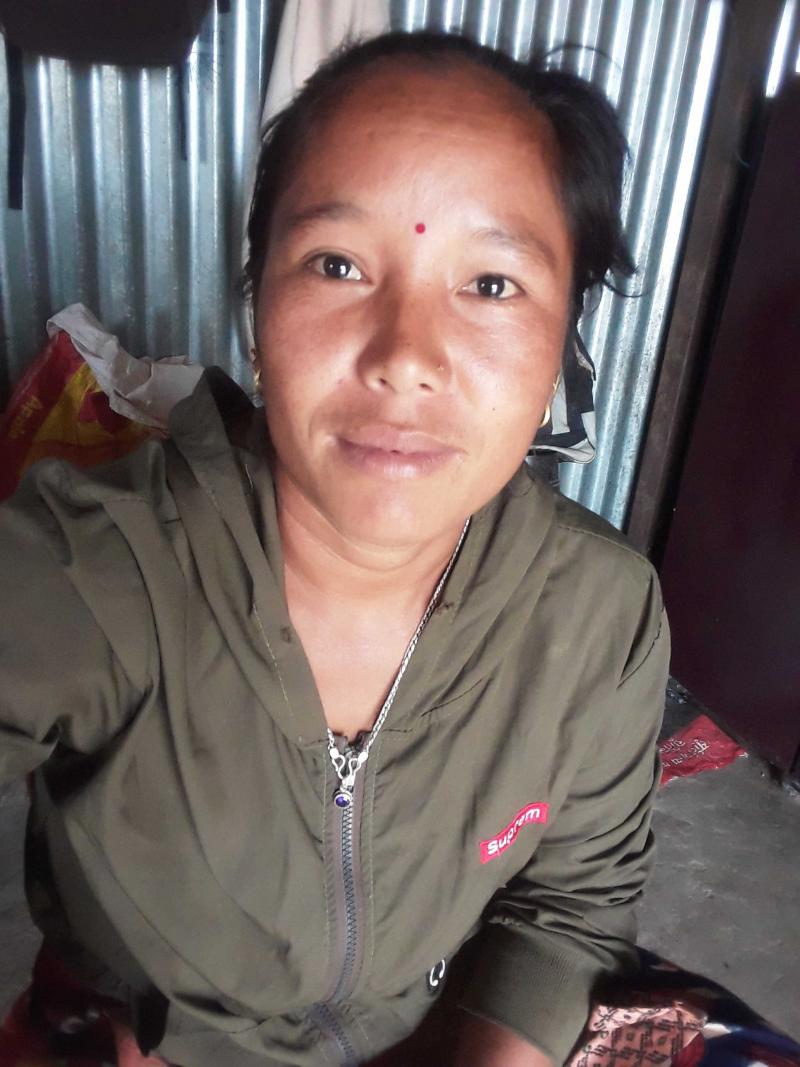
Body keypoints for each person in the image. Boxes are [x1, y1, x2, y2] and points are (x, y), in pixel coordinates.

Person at [0, 30, 668, 1067]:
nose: (405, 357)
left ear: (561, 347)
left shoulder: (598, 616)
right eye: (338, 264)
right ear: (257, 302)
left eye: (491, 284)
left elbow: (572, 906)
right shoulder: (91, 573)